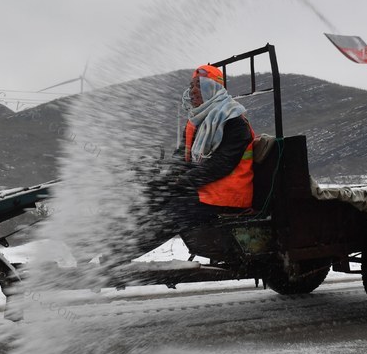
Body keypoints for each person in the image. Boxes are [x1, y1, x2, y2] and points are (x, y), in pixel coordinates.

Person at [106, 64, 256, 266]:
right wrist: (167, 179)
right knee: (151, 193)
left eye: (198, 85)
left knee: (175, 211)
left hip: (227, 193)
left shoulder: (234, 121)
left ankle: (115, 258)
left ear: (212, 88)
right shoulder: (196, 121)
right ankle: (107, 243)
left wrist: (184, 182)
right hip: (203, 186)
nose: (192, 90)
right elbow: (182, 156)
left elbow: (222, 164)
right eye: (191, 85)